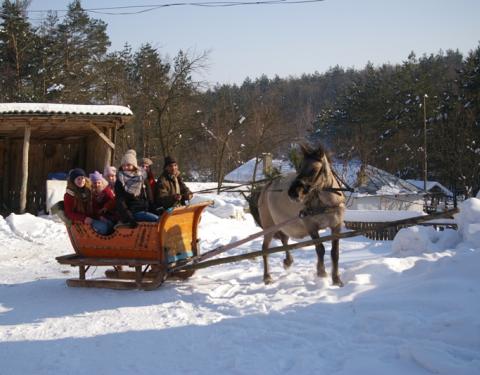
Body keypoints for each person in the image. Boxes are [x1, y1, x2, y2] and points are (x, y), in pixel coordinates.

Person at [115, 149, 158, 227]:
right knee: (156, 220)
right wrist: (130, 218)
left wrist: (154, 209)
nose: (126, 167)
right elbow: (120, 202)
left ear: (134, 165)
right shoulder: (120, 181)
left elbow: (149, 196)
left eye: (128, 165)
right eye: (124, 165)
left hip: (144, 209)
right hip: (132, 212)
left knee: (161, 218)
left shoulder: (141, 178)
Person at [63, 168, 112, 235]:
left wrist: (99, 216)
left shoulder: (88, 191)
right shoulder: (70, 195)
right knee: (104, 227)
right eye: (78, 179)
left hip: (90, 217)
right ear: (73, 181)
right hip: (79, 220)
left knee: (110, 224)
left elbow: (94, 206)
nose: (81, 181)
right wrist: (84, 218)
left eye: (82, 178)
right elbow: (69, 213)